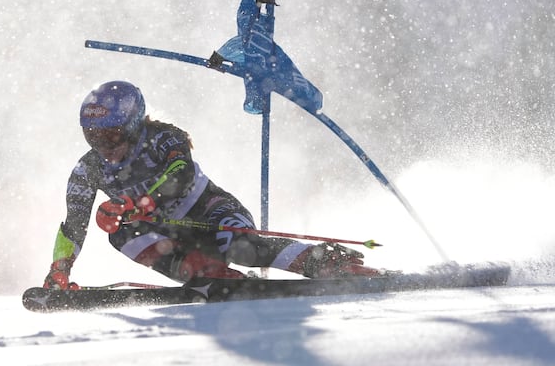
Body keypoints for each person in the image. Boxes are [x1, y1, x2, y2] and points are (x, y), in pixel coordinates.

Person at [43, 81, 382, 290]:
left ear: (133, 124)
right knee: (119, 235)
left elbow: (181, 174)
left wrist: (141, 205)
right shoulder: (87, 170)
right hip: (173, 243)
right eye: (92, 136)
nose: (104, 146)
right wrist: (59, 270)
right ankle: (208, 273)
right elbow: (73, 225)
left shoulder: (163, 137)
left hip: (211, 213)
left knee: (242, 247)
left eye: (112, 134)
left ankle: (323, 261)